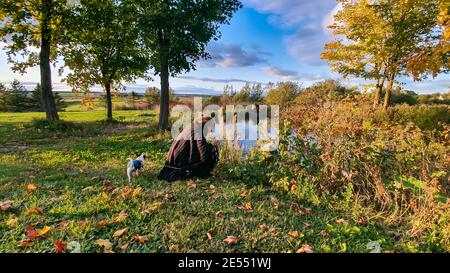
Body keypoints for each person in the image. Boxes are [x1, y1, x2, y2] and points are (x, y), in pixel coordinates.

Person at [157, 116, 220, 182]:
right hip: (179, 163)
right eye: (212, 127)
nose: (212, 130)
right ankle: (198, 172)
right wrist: (213, 145)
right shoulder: (198, 131)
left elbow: (198, 147)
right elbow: (204, 154)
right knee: (211, 154)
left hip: (174, 161)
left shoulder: (192, 127)